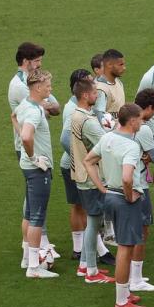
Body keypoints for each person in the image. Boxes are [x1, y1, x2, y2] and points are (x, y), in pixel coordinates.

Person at [83, 104, 149, 307]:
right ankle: (121, 301)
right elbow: (128, 177)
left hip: (111, 195)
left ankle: (126, 293)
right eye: (140, 119)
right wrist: (130, 196)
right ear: (131, 121)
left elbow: (89, 160)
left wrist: (102, 187)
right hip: (124, 199)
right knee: (125, 248)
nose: (142, 122)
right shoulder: (131, 146)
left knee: (124, 246)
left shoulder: (108, 138)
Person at [9, 42, 60, 270]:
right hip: (34, 160)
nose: (50, 88)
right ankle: (34, 263)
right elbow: (28, 135)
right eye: (47, 85)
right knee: (36, 211)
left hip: (29, 156)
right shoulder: (29, 100)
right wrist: (33, 157)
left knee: (31, 208)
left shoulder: (29, 101)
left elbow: (13, 116)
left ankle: (29, 256)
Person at [69, 77, 114, 284]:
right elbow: (107, 143)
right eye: (95, 92)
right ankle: (91, 271)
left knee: (93, 222)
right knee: (94, 223)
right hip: (90, 177)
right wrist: (113, 127)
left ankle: (85, 266)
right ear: (86, 95)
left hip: (81, 174)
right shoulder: (86, 120)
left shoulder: (77, 115)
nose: (98, 95)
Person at [129, 88, 154, 292]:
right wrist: (150, 156)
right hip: (139, 185)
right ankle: (136, 279)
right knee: (142, 230)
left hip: (122, 184)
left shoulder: (123, 122)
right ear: (149, 107)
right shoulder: (144, 129)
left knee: (130, 233)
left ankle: (132, 278)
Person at [59, 69, 92, 262]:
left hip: (73, 164)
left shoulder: (75, 105)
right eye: (89, 83)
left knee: (80, 206)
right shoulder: (74, 110)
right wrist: (81, 158)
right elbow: (65, 139)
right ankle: (82, 249)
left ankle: (81, 248)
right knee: (83, 207)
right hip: (74, 165)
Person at [94, 49, 126, 119]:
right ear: (109, 65)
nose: (124, 68)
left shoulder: (118, 82)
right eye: (120, 65)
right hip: (110, 130)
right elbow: (100, 118)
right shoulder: (100, 89)